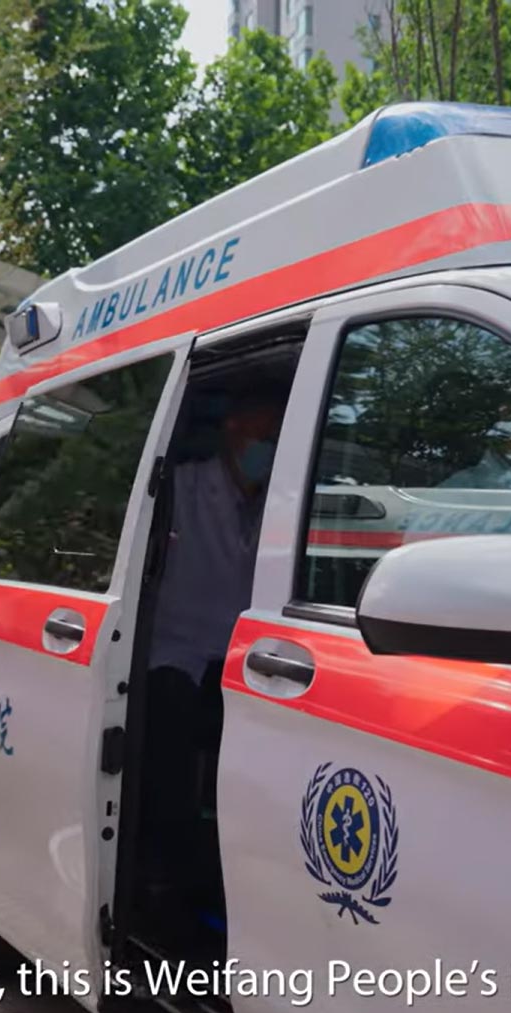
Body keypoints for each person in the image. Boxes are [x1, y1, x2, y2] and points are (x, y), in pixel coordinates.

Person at [139, 388, 282, 924]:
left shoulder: (277, 500)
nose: (268, 447)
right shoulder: (182, 487)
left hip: (241, 657)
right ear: (232, 428)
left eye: (276, 438)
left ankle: (228, 880)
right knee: (170, 746)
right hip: (174, 650)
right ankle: (166, 882)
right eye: (263, 434)